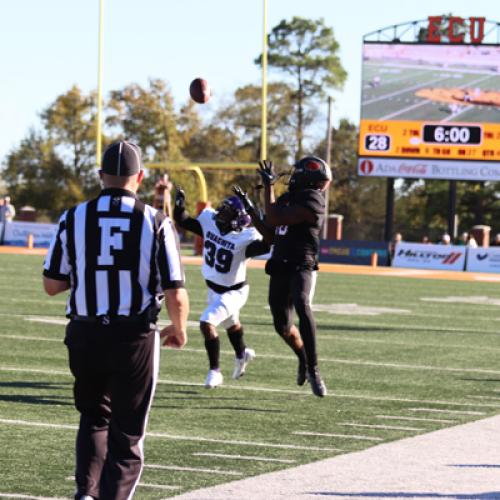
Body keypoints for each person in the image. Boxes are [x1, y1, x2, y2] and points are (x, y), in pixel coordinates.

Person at [42, 140, 189, 500]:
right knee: (127, 431)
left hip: (85, 332)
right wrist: (180, 327)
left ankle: (85, 493)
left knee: (93, 417)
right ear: (139, 177)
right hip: (133, 336)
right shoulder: (155, 221)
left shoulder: (73, 217)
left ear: (100, 176)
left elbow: (52, 284)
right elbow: (175, 289)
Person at [235, 157, 332, 398]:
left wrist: (268, 188)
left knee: (302, 302)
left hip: (302, 263)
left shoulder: (314, 199)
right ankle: (302, 358)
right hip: (279, 264)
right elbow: (270, 234)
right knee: (282, 325)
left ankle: (314, 369)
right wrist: (251, 211)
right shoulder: (288, 199)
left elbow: (275, 217)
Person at [173, 187, 269, 388]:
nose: (219, 214)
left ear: (238, 219)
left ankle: (214, 371)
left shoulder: (246, 238)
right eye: (222, 209)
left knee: (207, 323)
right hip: (214, 289)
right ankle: (242, 354)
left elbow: (268, 243)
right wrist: (179, 205)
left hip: (235, 291)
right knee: (231, 324)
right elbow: (183, 220)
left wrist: (260, 217)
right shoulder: (211, 223)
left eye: (225, 212)